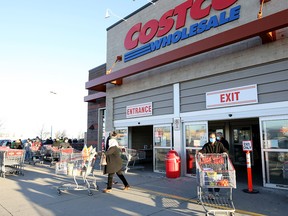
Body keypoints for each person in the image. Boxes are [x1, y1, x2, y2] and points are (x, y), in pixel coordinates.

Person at [198, 132, 228, 199]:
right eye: (211, 137)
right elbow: (202, 150)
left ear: (215, 138)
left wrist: (224, 153)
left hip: (218, 165)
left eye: (213, 137)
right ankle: (210, 192)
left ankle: (217, 191)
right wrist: (200, 153)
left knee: (217, 179)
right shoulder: (207, 145)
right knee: (210, 179)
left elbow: (225, 150)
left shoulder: (219, 144)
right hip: (210, 165)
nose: (212, 139)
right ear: (209, 138)